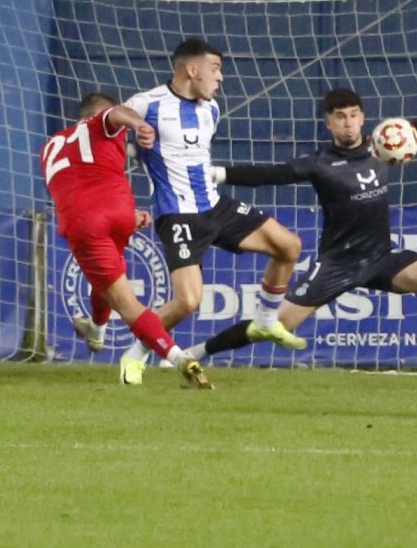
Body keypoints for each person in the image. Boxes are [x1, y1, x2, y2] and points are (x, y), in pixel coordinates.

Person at [198, 89, 417, 375]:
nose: (348, 123)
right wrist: (220, 174)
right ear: (329, 123)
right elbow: (272, 174)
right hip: (337, 264)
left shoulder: (382, 147)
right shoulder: (319, 163)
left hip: (381, 257)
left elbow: (415, 133)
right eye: (340, 116)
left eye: (354, 114)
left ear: (362, 118)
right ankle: (195, 352)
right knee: (275, 324)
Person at [120, 38, 307, 388]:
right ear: (192, 69)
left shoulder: (212, 109)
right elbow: (108, 128)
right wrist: (134, 138)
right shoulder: (146, 104)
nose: (221, 78)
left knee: (289, 246)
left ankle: (266, 319)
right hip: (177, 215)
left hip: (215, 206)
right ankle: (136, 352)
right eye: (215, 69)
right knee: (188, 301)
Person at [41, 91, 198, 385]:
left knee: (126, 303)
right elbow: (116, 115)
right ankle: (96, 331)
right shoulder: (99, 123)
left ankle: (179, 357)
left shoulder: (49, 147)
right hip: (120, 212)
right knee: (106, 284)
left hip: (85, 220)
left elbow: (76, 185)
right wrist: (138, 123)